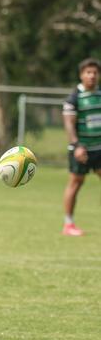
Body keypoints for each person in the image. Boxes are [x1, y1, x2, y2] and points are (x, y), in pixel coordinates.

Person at [61, 58, 101, 236]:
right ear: (81, 75)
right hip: (81, 149)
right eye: (88, 72)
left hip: (99, 148)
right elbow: (69, 124)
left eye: (95, 72)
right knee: (75, 184)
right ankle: (68, 224)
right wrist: (76, 145)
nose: (92, 76)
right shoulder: (74, 98)